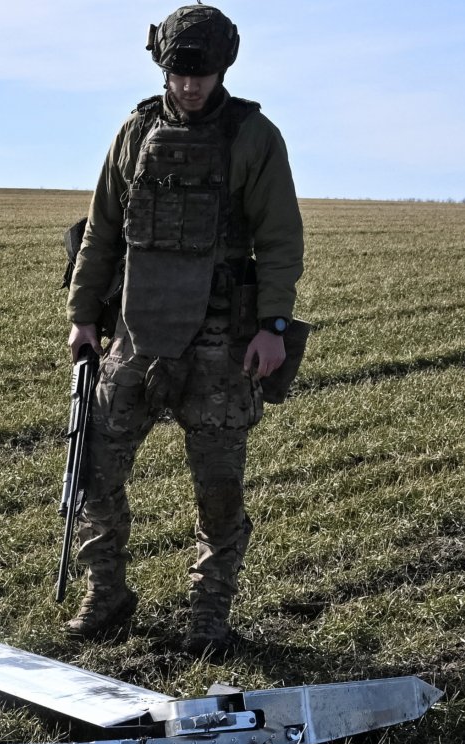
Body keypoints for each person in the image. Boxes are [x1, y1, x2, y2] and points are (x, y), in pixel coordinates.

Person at [63, 4, 303, 655]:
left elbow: (280, 242)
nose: (191, 85)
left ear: (225, 67)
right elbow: (101, 231)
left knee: (218, 488)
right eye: (179, 72)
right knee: (94, 468)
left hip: (222, 339)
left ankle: (209, 612)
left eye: (203, 73)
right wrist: (83, 316)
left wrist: (273, 326)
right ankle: (107, 593)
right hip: (136, 333)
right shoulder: (136, 131)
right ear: (162, 66)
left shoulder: (254, 137)